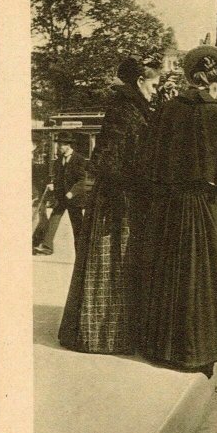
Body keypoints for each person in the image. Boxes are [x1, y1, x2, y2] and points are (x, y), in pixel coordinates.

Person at [137, 45, 217, 375]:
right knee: (208, 276)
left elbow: (148, 164)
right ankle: (207, 350)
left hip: (169, 208)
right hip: (204, 207)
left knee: (170, 274)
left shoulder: (166, 112)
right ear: (215, 85)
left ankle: (164, 349)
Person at [58, 57, 159, 354]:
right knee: (113, 262)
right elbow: (107, 160)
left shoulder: (133, 108)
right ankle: (103, 335)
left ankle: (117, 333)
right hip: (117, 200)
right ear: (140, 81)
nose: (155, 91)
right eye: (153, 85)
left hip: (123, 195)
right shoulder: (124, 110)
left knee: (121, 263)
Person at [33, 133, 87, 255]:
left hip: (75, 198)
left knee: (77, 226)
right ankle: (47, 247)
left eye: (61, 145)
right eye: (59, 145)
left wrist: (72, 193)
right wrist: (53, 185)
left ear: (68, 145)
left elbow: (82, 180)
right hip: (61, 197)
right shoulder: (59, 160)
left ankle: (82, 251)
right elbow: (58, 178)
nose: (58, 148)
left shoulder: (79, 159)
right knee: (54, 218)